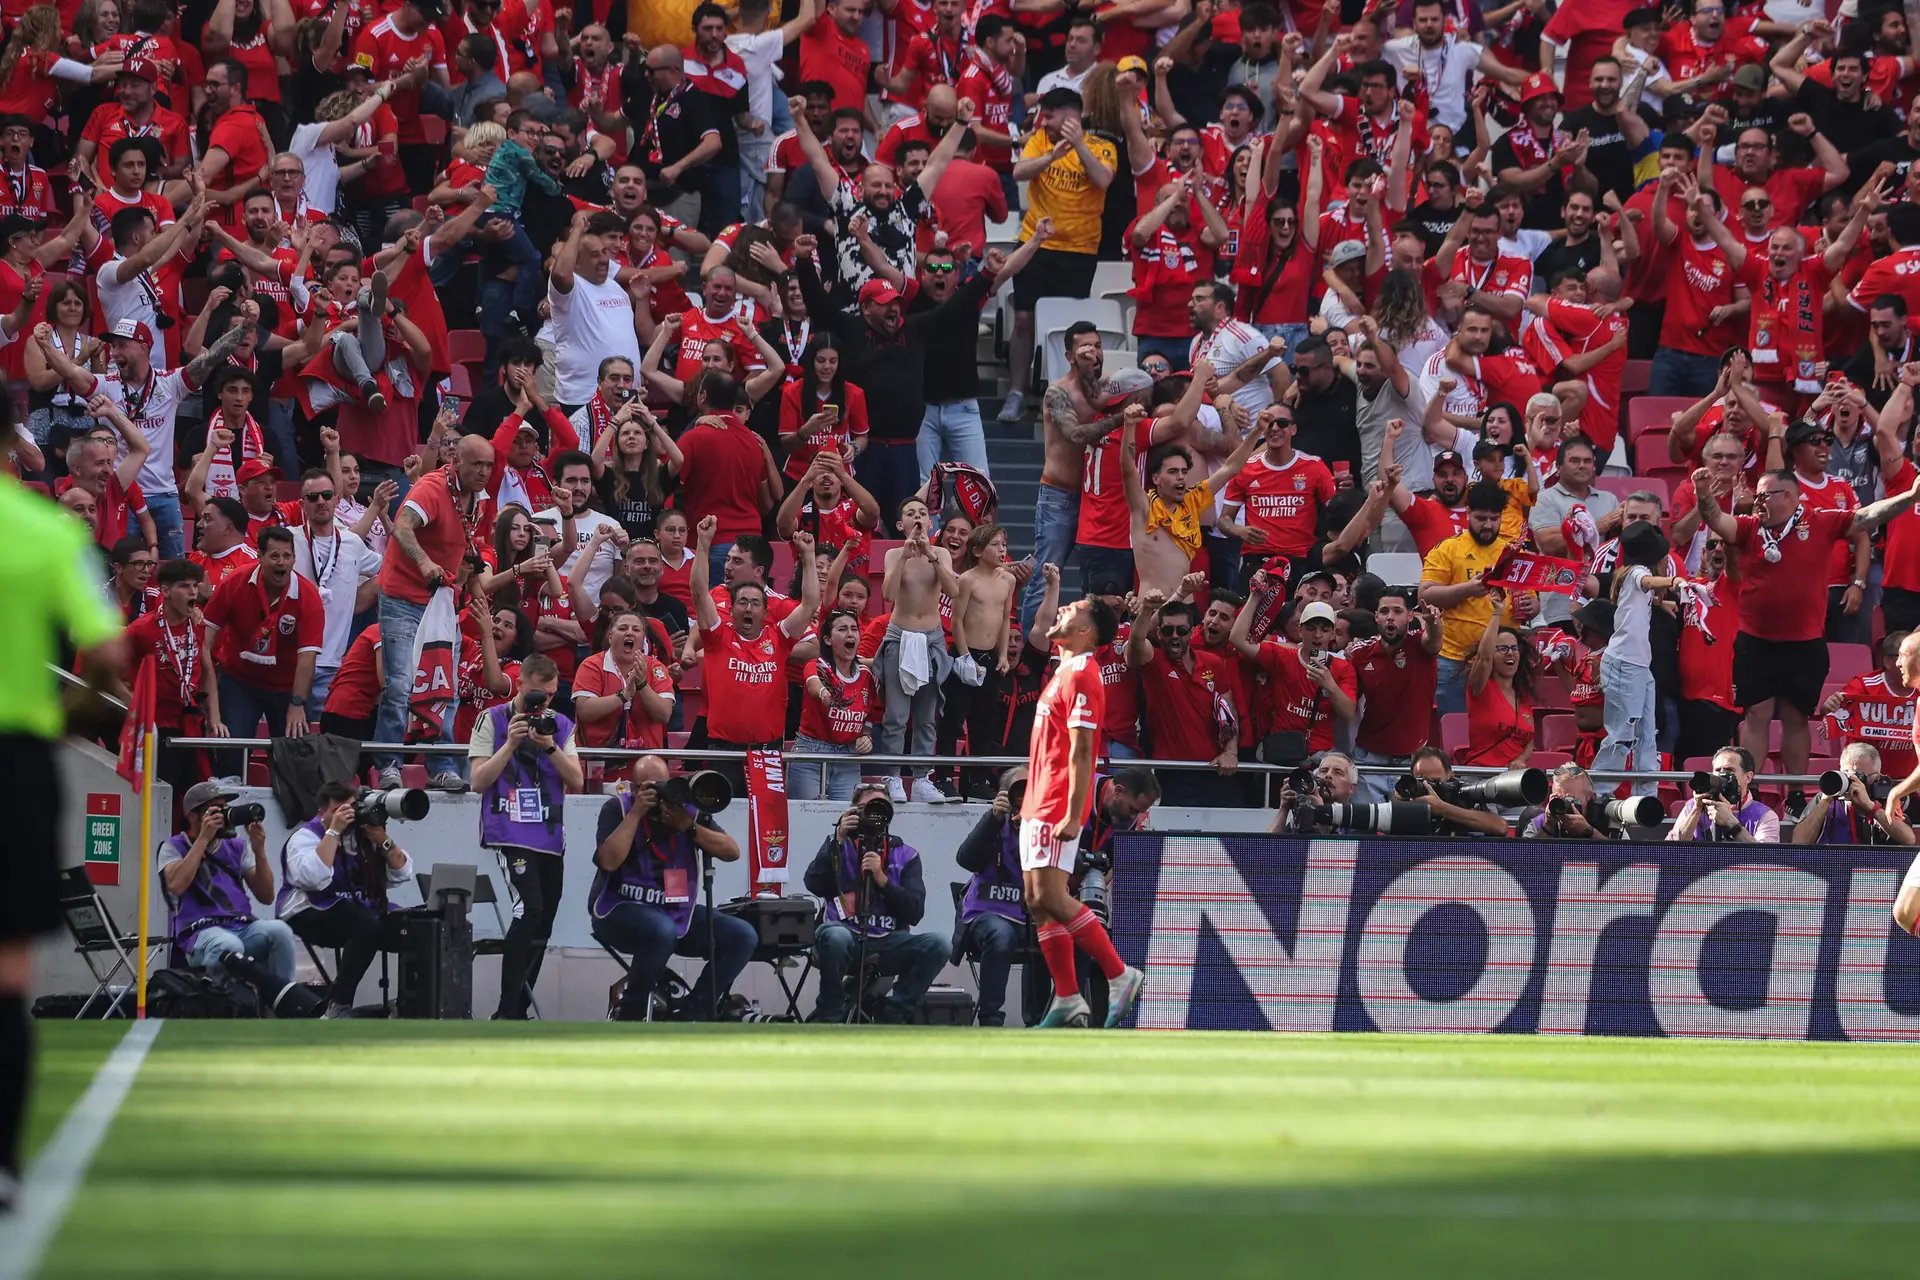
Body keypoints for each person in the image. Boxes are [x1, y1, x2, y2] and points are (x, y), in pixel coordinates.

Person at [0, 472, 125, 1205]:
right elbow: (108, 656)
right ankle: (4, 1164)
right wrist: (63, 726)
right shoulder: (50, 532)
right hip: (15, 757)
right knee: (9, 973)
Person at [1689, 463, 1920, 785]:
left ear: (1788, 496)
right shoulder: (1750, 528)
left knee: (1797, 719)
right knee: (1756, 716)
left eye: (1763, 496)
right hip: (1756, 641)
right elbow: (1716, 520)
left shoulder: (1821, 521)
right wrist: (1702, 494)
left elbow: (1868, 516)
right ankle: (1749, 789)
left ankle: (1795, 793)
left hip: (1805, 642)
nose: (1757, 502)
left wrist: (1909, 497)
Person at [1018, 590, 1145, 1029]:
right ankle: (1069, 998)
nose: (1063, 610)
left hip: (1056, 799)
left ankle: (1119, 974)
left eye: (1072, 610)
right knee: (1036, 900)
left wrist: (1074, 814)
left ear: (1086, 630)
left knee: (1053, 895)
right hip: (1038, 798)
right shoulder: (1063, 670)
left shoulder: (1083, 675)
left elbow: (1083, 749)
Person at [590, 754, 757, 1021]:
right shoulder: (618, 809)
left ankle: (692, 1014)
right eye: (648, 787)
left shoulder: (685, 811)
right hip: (619, 910)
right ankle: (631, 1015)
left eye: (662, 785)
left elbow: (731, 851)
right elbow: (608, 861)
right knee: (661, 929)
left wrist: (687, 827)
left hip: (676, 910)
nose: (657, 794)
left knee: (742, 936)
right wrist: (636, 813)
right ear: (633, 789)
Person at [373, 434, 492, 791]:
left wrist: (471, 585)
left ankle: (441, 765)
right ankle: (389, 764)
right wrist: (424, 561)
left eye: (489, 465)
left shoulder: (480, 499)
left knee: (446, 687)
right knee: (401, 684)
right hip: (403, 597)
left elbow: (470, 544)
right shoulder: (432, 487)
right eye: (477, 465)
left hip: (442, 599)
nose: (484, 472)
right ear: (457, 462)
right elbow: (403, 526)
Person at [470, 652, 584, 1020]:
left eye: (549, 696)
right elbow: (477, 781)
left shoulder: (561, 724)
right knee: (529, 908)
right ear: (519, 683)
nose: (543, 703)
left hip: (549, 832)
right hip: (509, 830)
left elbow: (577, 781)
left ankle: (518, 1008)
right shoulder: (491, 718)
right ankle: (506, 1009)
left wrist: (548, 745)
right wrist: (511, 744)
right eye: (536, 695)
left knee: (544, 920)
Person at [692, 517, 821, 791]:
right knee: (719, 825)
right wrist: (703, 544)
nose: (748, 608)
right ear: (731, 607)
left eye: (755, 603)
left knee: (768, 831)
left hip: (768, 755)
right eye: (742, 603)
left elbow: (810, 604)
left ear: (766, 611)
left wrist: (808, 557)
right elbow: (699, 592)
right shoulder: (717, 638)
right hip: (723, 753)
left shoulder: (780, 638)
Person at [803, 783, 951, 1023]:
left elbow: (915, 912)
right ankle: (831, 1015)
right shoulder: (838, 844)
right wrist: (839, 839)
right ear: (851, 811)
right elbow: (814, 884)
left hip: (888, 942)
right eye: (863, 808)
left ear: (888, 814)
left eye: (877, 807)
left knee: (939, 944)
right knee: (835, 937)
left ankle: (895, 1013)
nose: (870, 814)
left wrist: (884, 882)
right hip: (843, 937)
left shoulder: (906, 854)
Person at [277, 780, 414, 1018]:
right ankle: (337, 1005)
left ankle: (411, 1002)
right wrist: (334, 831)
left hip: (360, 909)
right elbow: (312, 878)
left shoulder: (366, 834)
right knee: (367, 927)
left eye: (350, 809)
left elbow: (402, 873)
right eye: (337, 811)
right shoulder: (305, 836)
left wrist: (383, 839)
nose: (346, 815)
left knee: (420, 930)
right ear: (321, 813)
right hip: (307, 909)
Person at [201, 526, 325, 769]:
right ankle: (227, 804)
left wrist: (297, 703)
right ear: (260, 557)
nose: (282, 563)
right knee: (230, 747)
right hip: (239, 681)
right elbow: (205, 639)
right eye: (275, 556)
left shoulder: (308, 597)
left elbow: (307, 658)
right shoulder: (235, 583)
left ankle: (291, 806)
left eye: (287, 556)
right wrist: (208, 690)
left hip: (287, 686)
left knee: (294, 754)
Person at [158, 780, 296, 984]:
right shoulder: (174, 847)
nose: (221, 816)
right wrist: (203, 839)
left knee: (281, 932)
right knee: (228, 945)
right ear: (193, 816)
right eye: (213, 810)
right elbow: (176, 885)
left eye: (224, 808)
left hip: (241, 925)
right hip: (199, 932)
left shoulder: (237, 846)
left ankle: (279, 1005)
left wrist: (259, 850)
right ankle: (215, 1005)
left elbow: (267, 896)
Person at [874, 499, 958, 803]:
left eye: (923, 513)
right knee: (896, 715)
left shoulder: (943, 554)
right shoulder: (893, 553)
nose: (918, 518)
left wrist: (932, 557)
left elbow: (954, 591)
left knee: (927, 716)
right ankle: (893, 777)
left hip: (931, 638)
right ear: (901, 525)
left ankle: (922, 778)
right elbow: (886, 593)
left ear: (931, 523)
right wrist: (906, 556)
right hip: (900, 636)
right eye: (910, 513)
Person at [1419, 479, 1520, 716]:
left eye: (1494, 519)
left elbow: (1531, 603)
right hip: (1453, 660)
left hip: (1501, 661)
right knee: (1455, 732)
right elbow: (1425, 595)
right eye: (1481, 518)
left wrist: (1530, 606)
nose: (1488, 525)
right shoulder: (1448, 549)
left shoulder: (1514, 554)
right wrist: (1467, 589)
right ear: (1468, 514)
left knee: (1498, 731)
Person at [1592, 523, 1680, 795]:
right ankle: (1600, 792)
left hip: (1639, 665)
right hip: (1625, 664)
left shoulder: (1626, 576)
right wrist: (1674, 582)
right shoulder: (1636, 572)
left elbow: (1641, 595)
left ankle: (1646, 793)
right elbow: (1647, 582)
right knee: (1622, 732)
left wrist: (1660, 602)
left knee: (1647, 730)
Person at [1346, 588, 1444, 799]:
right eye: (1384, 611)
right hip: (1368, 758)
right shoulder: (1360, 653)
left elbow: (1434, 641)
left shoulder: (1420, 643)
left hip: (1412, 763)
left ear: (1410, 615)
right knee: (1362, 829)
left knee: (1406, 831)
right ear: (1376, 617)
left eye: (1397, 611)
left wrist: (1434, 622)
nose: (1390, 616)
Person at [793, 607, 878, 802]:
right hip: (811, 755)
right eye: (842, 629)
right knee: (807, 820)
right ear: (828, 640)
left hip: (849, 758)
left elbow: (869, 716)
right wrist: (825, 695)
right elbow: (814, 683)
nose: (850, 633)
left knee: (846, 819)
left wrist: (867, 737)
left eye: (854, 629)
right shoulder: (816, 665)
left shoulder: (866, 675)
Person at [1790, 743, 1916, 846]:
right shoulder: (1824, 799)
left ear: (1877, 776)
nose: (1852, 780)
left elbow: (1909, 839)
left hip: (1878, 871)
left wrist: (1873, 808)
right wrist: (1825, 802)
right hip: (1835, 870)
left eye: (1860, 775)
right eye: (1847, 774)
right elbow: (1799, 842)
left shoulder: (1887, 798)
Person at [1464, 588, 1536, 768]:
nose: (1510, 653)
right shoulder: (1480, 688)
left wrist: (1520, 759)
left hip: (1514, 780)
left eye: (1514, 648)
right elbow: (1483, 658)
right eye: (1502, 649)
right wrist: (1497, 613)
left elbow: (1529, 741)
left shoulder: (1523, 696)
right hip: (1482, 775)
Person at [1667, 745, 1780, 842]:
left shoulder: (1765, 815)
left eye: (1729, 770)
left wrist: (1731, 823)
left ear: (1748, 777)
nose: (1721, 775)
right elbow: (1671, 849)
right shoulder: (1693, 806)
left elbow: (1765, 860)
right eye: (1717, 770)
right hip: (1700, 867)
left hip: (1740, 867)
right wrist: (1696, 811)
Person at [1400, 745, 1509, 836]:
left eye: (1435, 781)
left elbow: (1500, 826)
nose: (1427, 786)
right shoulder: (1408, 797)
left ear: (1451, 776)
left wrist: (1443, 808)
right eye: (1421, 780)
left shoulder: (1463, 793)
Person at [1524, 762, 1612, 840]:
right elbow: (1523, 857)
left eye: (1571, 800)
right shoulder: (1538, 824)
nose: (1563, 805)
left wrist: (1590, 832)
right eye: (1558, 799)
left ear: (1591, 798)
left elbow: (1622, 855)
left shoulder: (1610, 824)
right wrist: (1547, 828)